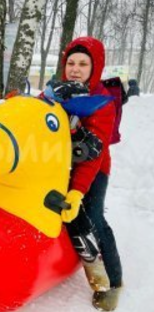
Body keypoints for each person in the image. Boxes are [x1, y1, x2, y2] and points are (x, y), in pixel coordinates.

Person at [50, 37, 123, 311]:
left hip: (93, 168)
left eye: (83, 63)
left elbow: (92, 156)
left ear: (95, 67)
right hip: (57, 163)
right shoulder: (55, 91)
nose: (75, 69)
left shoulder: (102, 103)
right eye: (71, 63)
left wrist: (78, 190)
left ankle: (112, 281)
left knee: (92, 217)